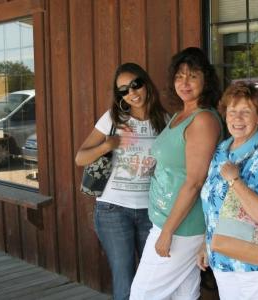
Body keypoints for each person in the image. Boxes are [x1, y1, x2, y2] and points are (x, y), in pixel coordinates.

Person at [130, 47, 222, 300]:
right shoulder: (181, 115)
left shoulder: (202, 120)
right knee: (183, 294)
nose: (185, 82)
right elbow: (177, 162)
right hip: (168, 220)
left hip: (181, 227)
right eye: (180, 76)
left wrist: (168, 232)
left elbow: (194, 181)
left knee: (141, 294)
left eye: (193, 76)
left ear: (206, 79)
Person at [75, 62, 167, 300]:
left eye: (136, 85)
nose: (132, 93)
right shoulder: (113, 118)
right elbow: (80, 157)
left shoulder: (164, 120)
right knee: (124, 281)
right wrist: (107, 144)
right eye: (123, 90)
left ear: (146, 83)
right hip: (113, 210)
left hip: (152, 212)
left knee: (153, 281)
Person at [197, 82, 258, 299]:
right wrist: (206, 244)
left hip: (254, 263)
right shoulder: (222, 150)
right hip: (222, 256)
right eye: (232, 112)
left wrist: (235, 181)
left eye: (245, 112)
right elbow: (212, 205)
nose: (237, 118)